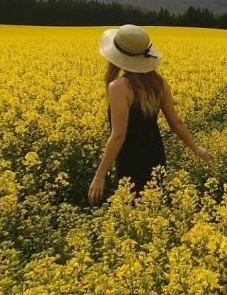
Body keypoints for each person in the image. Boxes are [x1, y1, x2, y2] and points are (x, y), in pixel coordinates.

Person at [88, 24, 212, 206]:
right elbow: (176, 123)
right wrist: (196, 148)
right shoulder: (159, 84)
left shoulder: (118, 87)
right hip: (156, 156)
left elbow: (118, 136)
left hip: (130, 159)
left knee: (132, 209)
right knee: (154, 211)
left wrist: (99, 176)